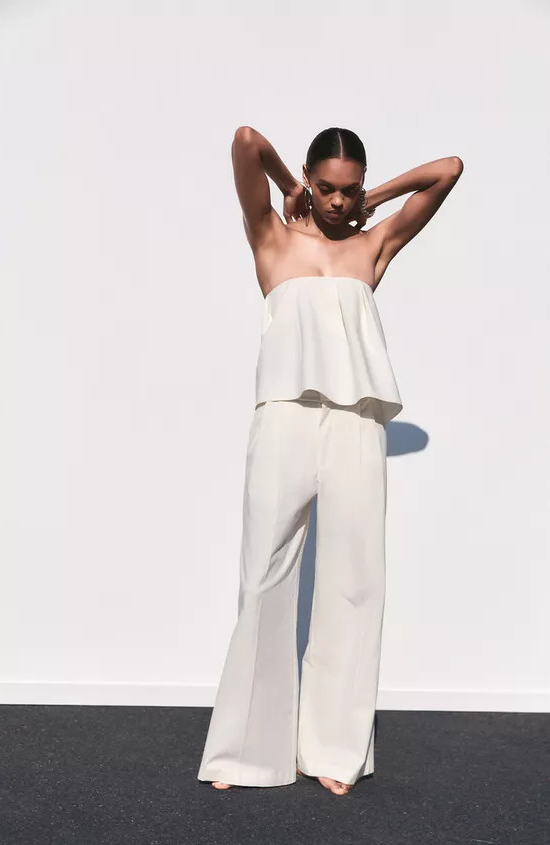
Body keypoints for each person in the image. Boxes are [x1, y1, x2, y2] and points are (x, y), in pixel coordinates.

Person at [197, 126, 463, 795]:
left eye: (348, 189)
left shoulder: (374, 245)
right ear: (309, 181)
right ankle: (244, 752)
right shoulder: (271, 237)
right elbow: (246, 141)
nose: (338, 201)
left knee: (354, 583)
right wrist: (290, 185)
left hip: (355, 424)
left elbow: (448, 168)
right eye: (326, 187)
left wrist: (376, 196)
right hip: (283, 416)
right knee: (263, 577)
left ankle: (332, 750)